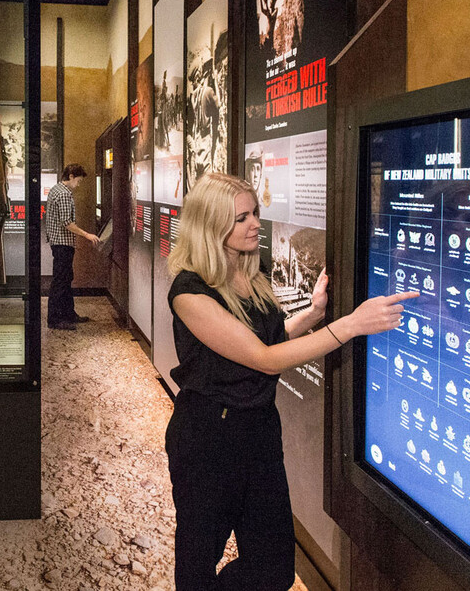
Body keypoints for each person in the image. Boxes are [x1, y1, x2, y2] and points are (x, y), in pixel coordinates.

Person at [165, 173, 417, 589]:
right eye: (240, 217)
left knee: (274, 568)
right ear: (210, 225)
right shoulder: (189, 292)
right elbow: (264, 360)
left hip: (259, 429)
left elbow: (268, 339)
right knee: (197, 560)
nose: (254, 224)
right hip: (208, 437)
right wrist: (351, 325)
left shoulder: (251, 272)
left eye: (255, 213)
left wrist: (315, 314)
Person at [45, 163, 100, 330]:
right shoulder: (63, 194)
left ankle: (69, 314)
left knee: (65, 278)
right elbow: (67, 223)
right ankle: (54, 319)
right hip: (62, 243)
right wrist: (87, 235)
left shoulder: (57, 189)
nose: (79, 184)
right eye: (78, 180)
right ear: (70, 176)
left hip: (60, 242)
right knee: (61, 281)